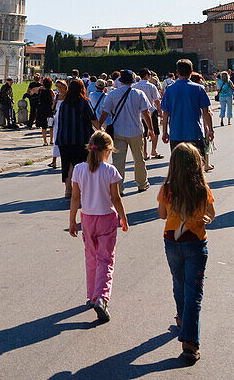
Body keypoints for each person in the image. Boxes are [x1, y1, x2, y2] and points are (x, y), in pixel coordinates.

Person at [158, 143, 215, 364]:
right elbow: (211, 214)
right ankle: (190, 343)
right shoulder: (202, 189)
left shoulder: (167, 189)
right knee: (194, 292)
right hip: (195, 244)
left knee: (178, 282)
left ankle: (182, 318)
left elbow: (162, 215)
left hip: (172, 242)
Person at [68, 130, 128, 323]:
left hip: (87, 218)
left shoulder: (79, 169)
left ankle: (92, 295)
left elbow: (75, 198)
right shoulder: (110, 171)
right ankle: (102, 297)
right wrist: (124, 217)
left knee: (91, 257)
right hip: (106, 218)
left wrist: (71, 220)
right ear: (108, 151)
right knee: (106, 259)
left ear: (89, 148)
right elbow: (115, 198)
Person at [98, 70, 155, 193]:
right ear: (133, 81)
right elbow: (146, 113)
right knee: (139, 159)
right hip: (136, 130)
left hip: (118, 131)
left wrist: (99, 127)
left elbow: (105, 112)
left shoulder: (112, 95)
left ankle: (118, 187)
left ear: (121, 80)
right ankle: (142, 183)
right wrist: (150, 129)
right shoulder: (139, 94)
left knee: (118, 161)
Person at [55, 79, 98, 199]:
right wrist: (100, 130)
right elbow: (92, 118)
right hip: (80, 138)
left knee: (67, 165)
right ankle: (82, 190)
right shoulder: (84, 102)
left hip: (64, 139)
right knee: (82, 165)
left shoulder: (64, 104)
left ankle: (68, 190)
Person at [160, 59, 214, 157]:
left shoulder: (169, 90)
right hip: (194, 133)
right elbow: (206, 112)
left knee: (179, 167)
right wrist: (210, 130)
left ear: (177, 72)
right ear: (191, 71)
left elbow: (165, 114)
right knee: (196, 165)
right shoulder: (199, 88)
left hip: (176, 134)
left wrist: (165, 132)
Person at [134, 69, 164, 159]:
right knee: (155, 131)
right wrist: (160, 112)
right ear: (147, 75)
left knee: (143, 133)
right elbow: (157, 101)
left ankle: (144, 153)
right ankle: (153, 150)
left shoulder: (135, 86)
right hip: (151, 110)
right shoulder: (151, 86)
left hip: (139, 112)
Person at [38, 77, 54, 145]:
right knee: (51, 126)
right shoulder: (51, 91)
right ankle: (51, 140)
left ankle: (45, 141)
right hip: (49, 109)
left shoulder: (41, 91)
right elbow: (53, 100)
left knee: (43, 127)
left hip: (42, 109)